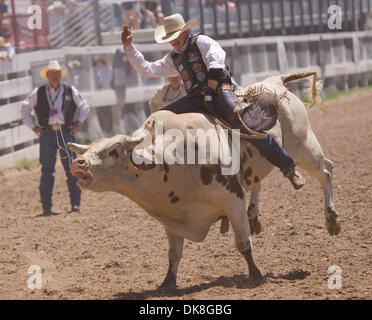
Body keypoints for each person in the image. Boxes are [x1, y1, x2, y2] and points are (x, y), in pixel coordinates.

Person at [121, 13, 305, 190]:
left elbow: (216, 66)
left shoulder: (202, 42)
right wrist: (129, 48)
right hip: (196, 98)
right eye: (170, 38)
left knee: (246, 127)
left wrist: (209, 92)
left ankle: (288, 167)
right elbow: (147, 69)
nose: (173, 41)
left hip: (219, 92)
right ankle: (147, 159)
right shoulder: (174, 57)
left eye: (176, 35)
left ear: (185, 32)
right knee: (159, 118)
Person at [21, 60, 90, 215]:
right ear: (47, 75)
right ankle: (46, 206)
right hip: (47, 133)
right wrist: (33, 127)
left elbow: (84, 106)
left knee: (72, 168)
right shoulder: (38, 92)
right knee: (47, 170)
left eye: (57, 73)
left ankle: (75, 203)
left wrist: (78, 122)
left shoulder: (69, 90)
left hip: (66, 132)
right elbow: (25, 108)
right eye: (53, 73)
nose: (55, 76)